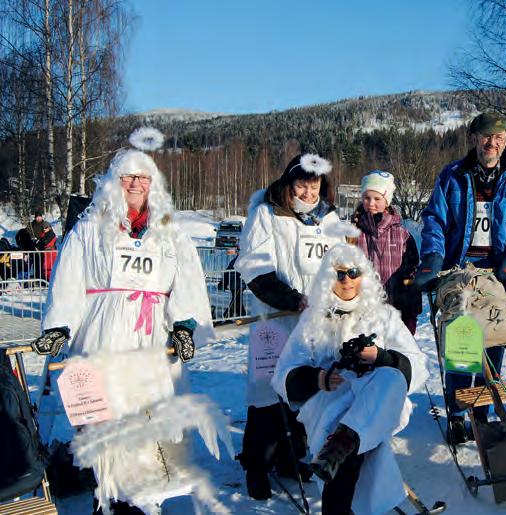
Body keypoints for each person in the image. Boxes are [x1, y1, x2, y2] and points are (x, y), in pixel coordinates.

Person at [31, 127, 214, 513]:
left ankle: (142, 502)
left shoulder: (170, 231)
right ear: (113, 182)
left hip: (150, 340)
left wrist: (184, 324)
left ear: (153, 184)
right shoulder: (90, 227)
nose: (135, 184)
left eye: (142, 178)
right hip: (102, 336)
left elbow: (186, 280)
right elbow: (69, 277)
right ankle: (108, 497)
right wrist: (59, 324)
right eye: (127, 177)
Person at [272, 243, 428, 515]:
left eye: (353, 273)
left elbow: (417, 363)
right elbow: (283, 373)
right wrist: (318, 377)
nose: (346, 280)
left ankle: (340, 452)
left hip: (377, 397)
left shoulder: (384, 316)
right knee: (350, 432)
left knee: (390, 378)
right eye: (339, 274)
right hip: (330, 400)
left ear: (363, 275)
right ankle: (343, 451)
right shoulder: (313, 320)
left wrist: (382, 357)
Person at [413, 112, 506, 442]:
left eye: (498, 138)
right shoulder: (453, 174)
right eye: (485, 137)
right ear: (473, 139)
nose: (491, 143)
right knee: (462, 340)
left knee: (494, 337)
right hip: (459, 269)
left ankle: (483, 410)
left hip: (498, 271)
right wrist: (433, 257)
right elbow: (435, 219)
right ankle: (457, 411)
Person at [234, 152, 347, 500]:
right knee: (269, 391)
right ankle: (257, 464)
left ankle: (288, 457)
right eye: (302, 185)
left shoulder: (329, 219)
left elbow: (340, 262)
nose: (308, 193)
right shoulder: (267, 213)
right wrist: (291, 298)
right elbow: (253, 266)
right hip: (278, 318)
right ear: (289, 183)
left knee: (304, 389)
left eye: (314, 186)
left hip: (316, 323)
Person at [351, 170, 421, 333]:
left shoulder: (402, 235)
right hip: (362, 314)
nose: (371, 203)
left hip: (394, 311)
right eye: (367, 198)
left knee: (392, 357)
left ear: (387, 201)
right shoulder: (353, 233)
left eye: (377, 198)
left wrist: (410, 310)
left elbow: (411, 273)